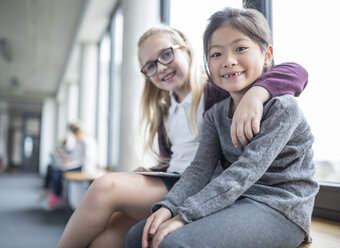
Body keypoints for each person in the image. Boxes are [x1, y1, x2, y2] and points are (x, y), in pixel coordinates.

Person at [57, 24, 309, 248]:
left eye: (166, 54)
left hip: (205, 185)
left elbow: (295, 71)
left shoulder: (218, 91)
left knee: (105, 187)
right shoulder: (166, 111)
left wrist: (259, 91)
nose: (162, 67)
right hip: (178, 178)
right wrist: (153, 170)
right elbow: (180, 157)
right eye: (151, 65)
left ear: (187, 51)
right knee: (110, 233)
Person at [125, 8, 319, 248]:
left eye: (240, 49)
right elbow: (199, 170)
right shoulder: (214, 114)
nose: (228, 61)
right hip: (238, 199)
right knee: (138, 235)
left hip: (282, 208)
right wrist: (168, 207)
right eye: (216, 54)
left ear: (267, 55)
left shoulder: (282, 107)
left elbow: (244, 172)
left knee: (175, 243)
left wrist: (185, 215)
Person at [44, 122, 98, 211]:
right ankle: (55, 194)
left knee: (57, 172)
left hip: (85, 168)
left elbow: (87, 160)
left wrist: (70, 161)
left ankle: (56, 195)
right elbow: (75, 155)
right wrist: (68, 159)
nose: (76, 137)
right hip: (78, 165)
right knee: (53, 169)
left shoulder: (87, 141)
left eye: (76, 134)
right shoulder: (80, 142)